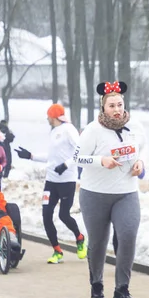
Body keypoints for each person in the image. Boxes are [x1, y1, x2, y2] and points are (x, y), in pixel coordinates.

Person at [74, 81, 146, 298]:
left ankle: (122, 288)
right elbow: (77, 158)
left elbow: (144, 148)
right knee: (98, 242)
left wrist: (141, 162)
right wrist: (101, 161)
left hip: (126, 192)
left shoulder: (135, 126)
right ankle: (96, 283)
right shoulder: (93, 129)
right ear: (103, 108)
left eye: (120, 104)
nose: (117, 109)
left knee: (127, 235)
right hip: (94, 193)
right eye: (111, 105)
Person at [14, 104, 87, 264]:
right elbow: (52, 156)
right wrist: (31, 156)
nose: (47, 118)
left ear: (54, 116)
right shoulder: (54, 132)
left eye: (48, 116)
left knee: (63, 215)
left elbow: (80, 150)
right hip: (51, 181)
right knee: (46, 216)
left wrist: (66, 165)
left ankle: (80, 238)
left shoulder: (69, 129)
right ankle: (57, 251)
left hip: (67, 180)